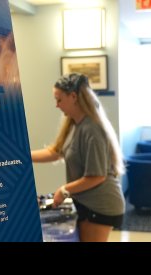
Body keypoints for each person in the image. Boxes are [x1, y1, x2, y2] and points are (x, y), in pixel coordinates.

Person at [32, 73, 125, 242]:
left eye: (59, 99)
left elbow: (97, 176)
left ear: (73, 96)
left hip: (100, 204)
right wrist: (23, 157)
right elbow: (55, 152)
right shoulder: (75, 124)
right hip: (87, 202)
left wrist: (64, 190)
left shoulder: (92, 129)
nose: (56, 105)